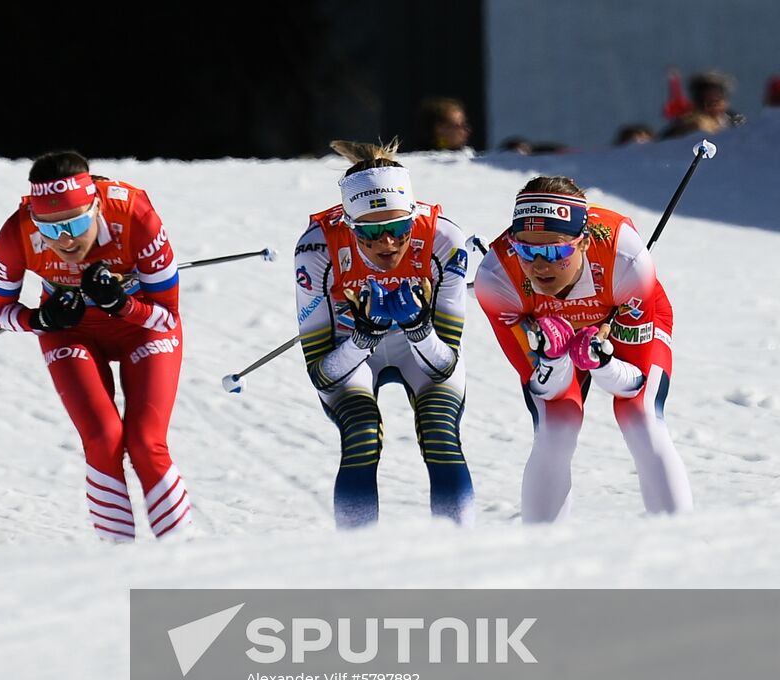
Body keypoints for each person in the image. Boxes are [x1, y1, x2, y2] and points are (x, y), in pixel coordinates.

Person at [0, 150, 191, 541]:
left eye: (75, 223)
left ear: (96, 207)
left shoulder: (135, 216)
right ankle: (117, 559)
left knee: (146, 442)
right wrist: (40, 320)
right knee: (102, 438)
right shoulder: (17, 232)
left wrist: (122, 303)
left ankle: (183, 554)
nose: (63, 240)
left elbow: (167, 316)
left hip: (140, 328)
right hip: (71, 331)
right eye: (49, 228)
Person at [473, 176, 692, 522]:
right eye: (526, 250)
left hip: (620, 313)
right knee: (558, 425)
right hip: (549, 329)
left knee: (640, 415)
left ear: (585, 243)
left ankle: (680, 540)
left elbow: (632, 381)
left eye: (556, 251)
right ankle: (544, 550)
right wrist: (552, 358)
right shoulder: (497, 277)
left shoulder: (627, 261)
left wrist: (602, 363)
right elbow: (545, 387)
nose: (539, 265)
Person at [293, 139, 474, 529]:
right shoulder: (317, 247)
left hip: (421, 351)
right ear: (348, 224)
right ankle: (359, 563)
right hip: (350, 352)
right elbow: (321, 374)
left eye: (397, 228)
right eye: (370, 234)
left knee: (440, 433)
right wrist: (363, 337)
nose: (387, 243)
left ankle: (460, 555)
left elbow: (445, 365)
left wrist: (419, 329)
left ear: (413, 216)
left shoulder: (445, 241)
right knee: (360, 435)